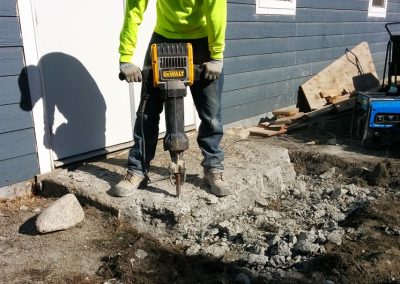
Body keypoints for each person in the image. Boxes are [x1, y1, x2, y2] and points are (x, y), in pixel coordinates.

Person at [112, 0, 230, 197]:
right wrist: (125, 58)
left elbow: (216, 9)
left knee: (211, 114)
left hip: (203, 40)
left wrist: (216, 56)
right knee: (147, 114)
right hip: (164, 39)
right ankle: (137, 169)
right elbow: (134, 11)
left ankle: (213, 167)